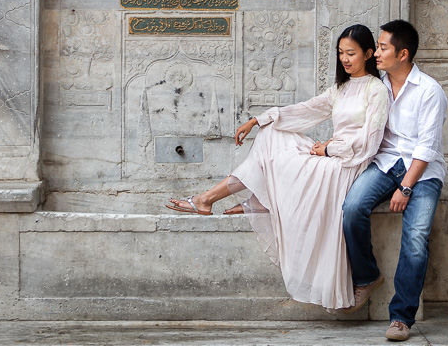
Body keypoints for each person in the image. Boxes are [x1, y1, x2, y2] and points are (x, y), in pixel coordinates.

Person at [166, 24, 390, 310]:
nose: (345, 59)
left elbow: (368, 144)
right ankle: (217, 199)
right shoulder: (341, 88)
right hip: (331, 155)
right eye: (340, 53)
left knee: (285, 157)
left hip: (348, 165)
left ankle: (225, 199)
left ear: (369, 54)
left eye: (351, 53)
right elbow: (306, 110)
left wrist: (329, 148)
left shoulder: (376, 90)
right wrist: (257, 120)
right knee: (272, 135)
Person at [341, 19, 447, 342]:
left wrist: (406, 187)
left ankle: (401, 317)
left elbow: (426, 148)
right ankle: (367, 274)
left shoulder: (430, 91)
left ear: (402, 54)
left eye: (383, 47)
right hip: (386, 163)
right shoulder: (377, 86)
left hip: (422, 171)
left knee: (415, 239)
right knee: (352, 208)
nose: (377, 53)